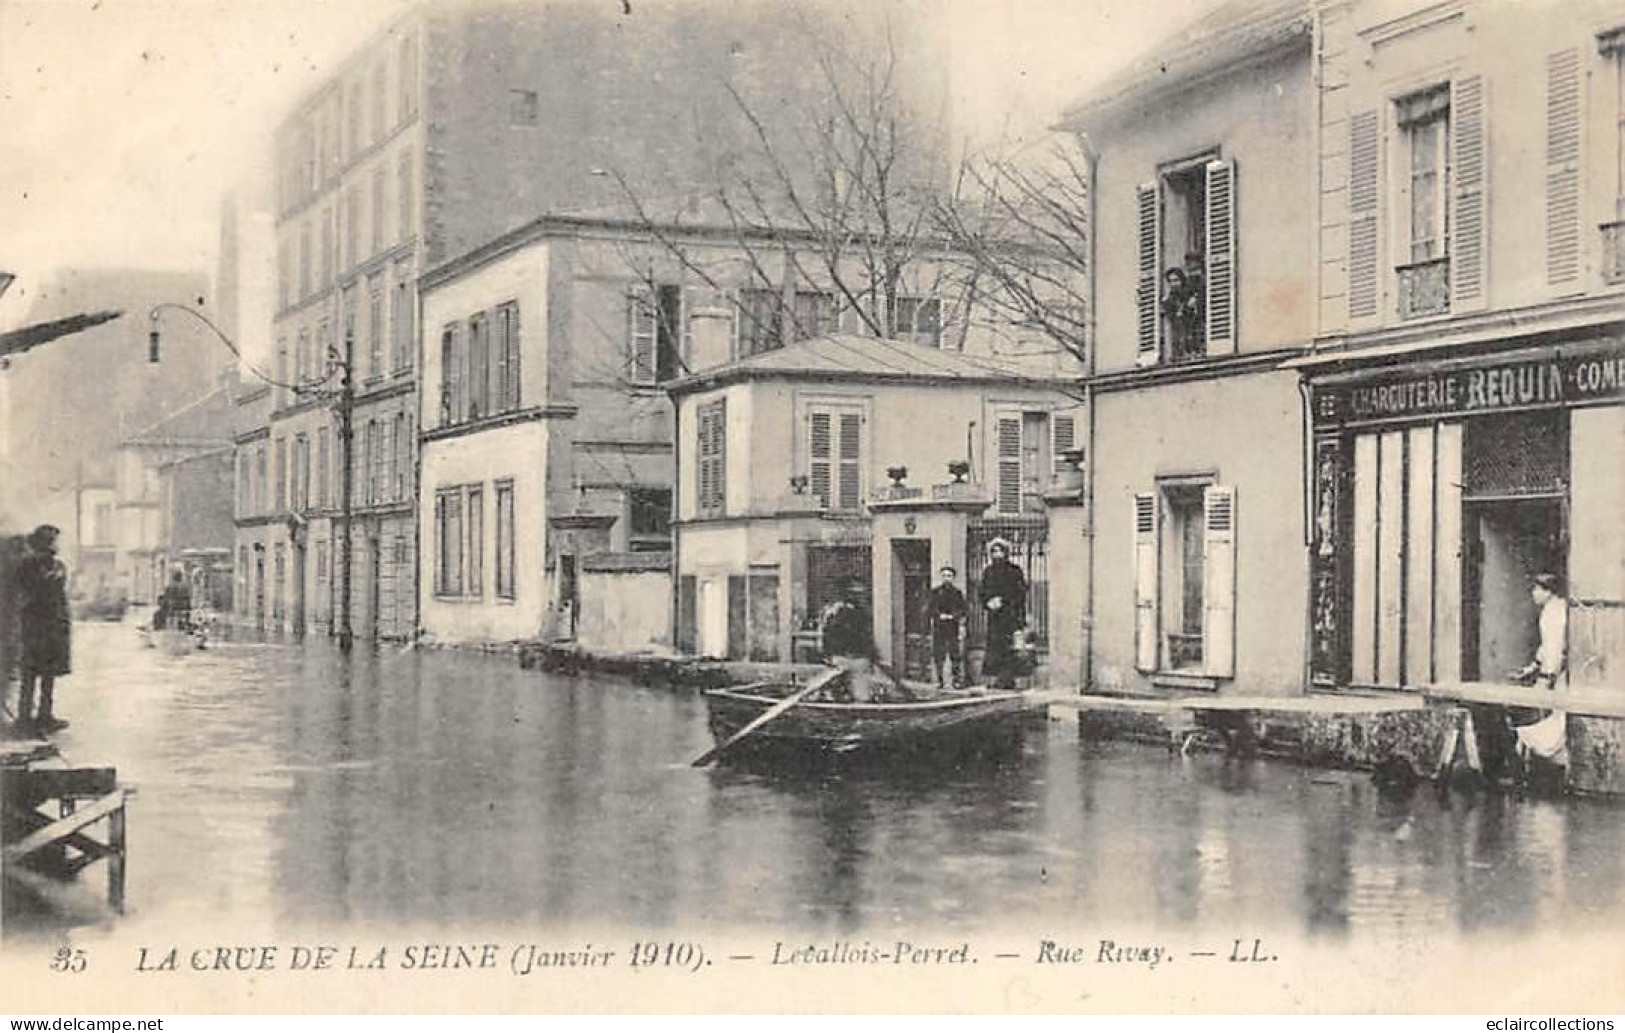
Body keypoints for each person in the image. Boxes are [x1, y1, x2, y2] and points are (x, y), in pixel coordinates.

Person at [15, 524, 71, 733]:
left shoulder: (55, 565)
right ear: (46, 543)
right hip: (37, 625)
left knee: (48, 674)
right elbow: (35, 591)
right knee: (31, 673)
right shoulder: (30, 565)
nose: (58, 545)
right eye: (55, 540)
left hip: (51, 626)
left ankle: (44, 715)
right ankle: (25, 717)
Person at [979, 538, 1027, 690]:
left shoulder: (1015, 570)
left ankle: (1008, 678)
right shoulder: (988, 571)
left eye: (1000, 551)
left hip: (1011, 615)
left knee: (1010, 647)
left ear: (1006, 553)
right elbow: (982, 591)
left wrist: (1004, 600)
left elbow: (1021, 592)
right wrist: (988, 602)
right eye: (994, 551)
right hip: (995, 617)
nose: (997, 555)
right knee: (995, 647)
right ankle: (999, 677)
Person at [1514, 573, 1568, 690]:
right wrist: (1534, 665)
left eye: (1537, 590)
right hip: (1553, 669)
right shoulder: (1550, 609)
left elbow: (1556, 645)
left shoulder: (1555, 612)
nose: (1534, 594)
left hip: (1557, 671)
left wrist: (1547, 675)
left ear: (1548, 592)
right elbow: (1546, 644)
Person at [927, 565, 967, 690]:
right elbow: (930, 609)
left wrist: (953, 616)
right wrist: (939, 615)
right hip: (939, 627)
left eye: (949, 576)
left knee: (955, 654)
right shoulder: (935, 592)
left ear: (953, 578)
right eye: (944, 576)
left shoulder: (957, 593)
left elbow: (963, 609)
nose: (946, 578)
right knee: (939, 654)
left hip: (952, 627)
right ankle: (940, 680)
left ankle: (956, 681)